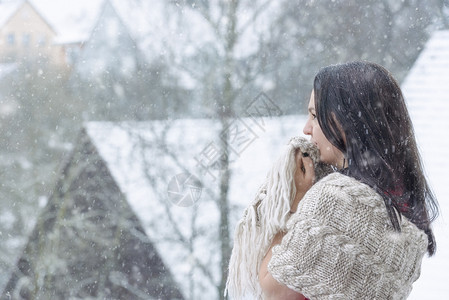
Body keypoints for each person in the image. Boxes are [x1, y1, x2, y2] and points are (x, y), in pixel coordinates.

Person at [230, 61, 438, 299]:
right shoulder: (402, 197)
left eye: (315, 116)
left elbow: (274, 288)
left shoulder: (333, 198)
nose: (306, 129)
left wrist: (296, 201)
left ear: (346, 121)